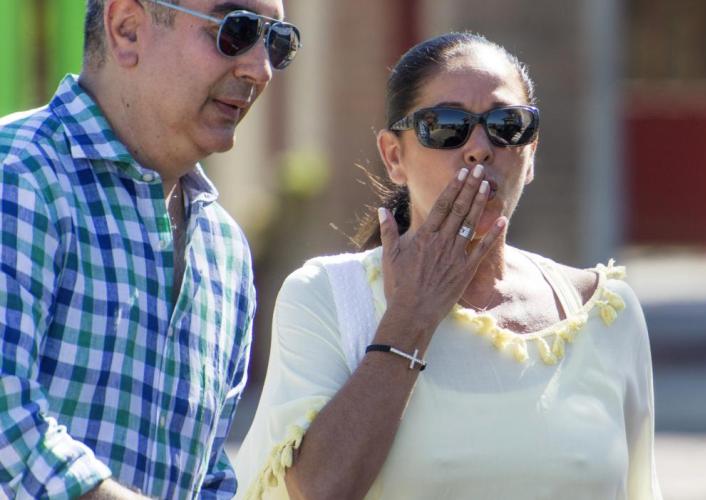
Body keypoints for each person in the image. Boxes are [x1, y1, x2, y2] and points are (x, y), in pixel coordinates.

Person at [235, 32, 662, 500]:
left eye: (507, 125)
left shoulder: (605, 311)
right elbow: (318, 490)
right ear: (394, 156)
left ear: (531, 155)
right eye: (446, 126)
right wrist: (411, 317)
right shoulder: (327, 297)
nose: (479, 148)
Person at [0, 0, 301, 498]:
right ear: (127, 28)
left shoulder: (225, 250)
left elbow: (209, 477)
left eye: (277, 41)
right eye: (237, 30)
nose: (260, 68)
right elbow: (7, 423)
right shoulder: (17, 174)